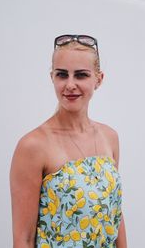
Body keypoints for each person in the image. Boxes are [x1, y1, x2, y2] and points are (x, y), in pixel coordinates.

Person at [10, 34, 127, 248]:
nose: (70, 84)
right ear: (52, 78)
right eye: (62, 75)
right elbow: (23, 240)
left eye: (81, 75)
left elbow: (115, 215)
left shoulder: (110, 137)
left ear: (98, 79)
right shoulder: (33, 146)